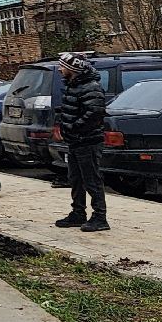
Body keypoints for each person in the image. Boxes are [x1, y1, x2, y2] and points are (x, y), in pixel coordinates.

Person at [54, 53, 109, 233]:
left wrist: (73, 127)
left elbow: (94, 113)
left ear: (73, 68)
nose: (60, 69)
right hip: (76, 141)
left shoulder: (90, 87)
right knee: (75, 179)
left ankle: (100, 217)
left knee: (91, 179)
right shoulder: (74, 85)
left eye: (62, 66)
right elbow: (72, 108)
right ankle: (78, 213)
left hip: (88, 141)